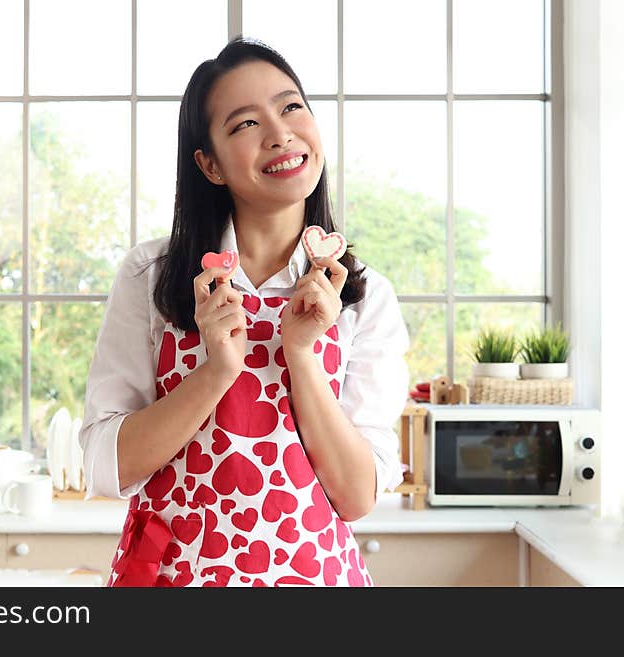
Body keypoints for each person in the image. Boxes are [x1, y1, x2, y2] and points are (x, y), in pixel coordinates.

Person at [79, 37, 409, 587]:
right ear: (209, 164)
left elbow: (355, 497)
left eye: (290, 107)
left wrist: (300, 354)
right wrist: (218, 371)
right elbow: (107, 465)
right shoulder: (152, 275)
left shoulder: (362, 295)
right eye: (244, 125)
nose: (280, 134)